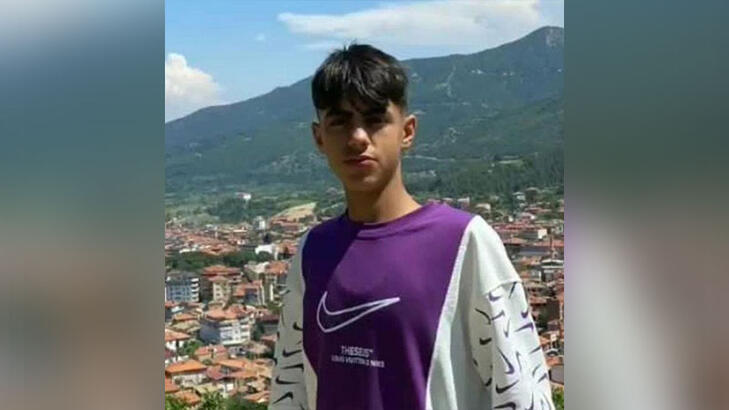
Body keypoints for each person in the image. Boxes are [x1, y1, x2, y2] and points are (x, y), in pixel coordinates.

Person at [269, 44, 554, 410]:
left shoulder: (465, 242)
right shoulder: (312, 251)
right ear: (319, 137)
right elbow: (290, 386)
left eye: (375, 119)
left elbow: (521, 393)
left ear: (407, 131)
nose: (358, 137)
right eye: (340, 122)